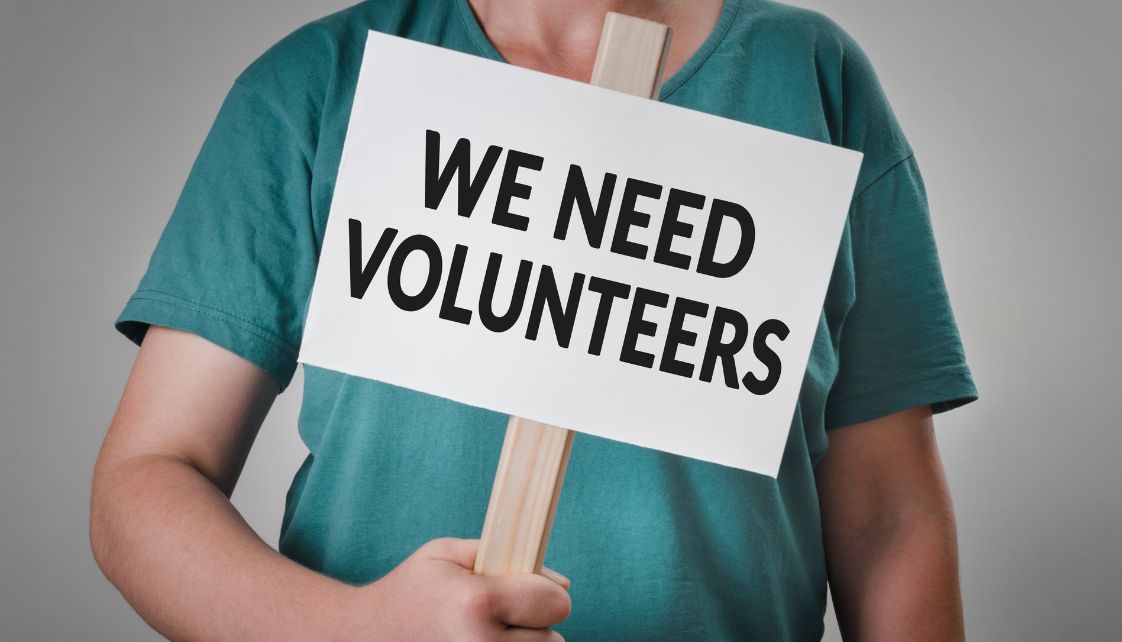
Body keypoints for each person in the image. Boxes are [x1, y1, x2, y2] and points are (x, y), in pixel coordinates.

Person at [90, 0, 978, 640]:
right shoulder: (318, 84)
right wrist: (357, 628)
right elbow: (150, 476)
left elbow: (886, 514)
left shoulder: (812, 77)